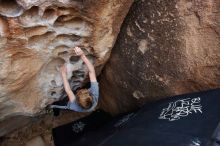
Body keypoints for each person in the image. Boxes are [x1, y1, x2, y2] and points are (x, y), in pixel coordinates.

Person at [50, 47, 99, 112]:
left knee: (60, 105)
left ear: (77, 101)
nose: (80, 90)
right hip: (90, 106)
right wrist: (82, 56)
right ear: (90, 96)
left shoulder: (74, 105)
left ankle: (53, 109)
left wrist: (63, 74)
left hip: (69, 105)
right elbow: (91, 71)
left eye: (79, 93)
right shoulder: (95, 94)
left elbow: (68, 90)